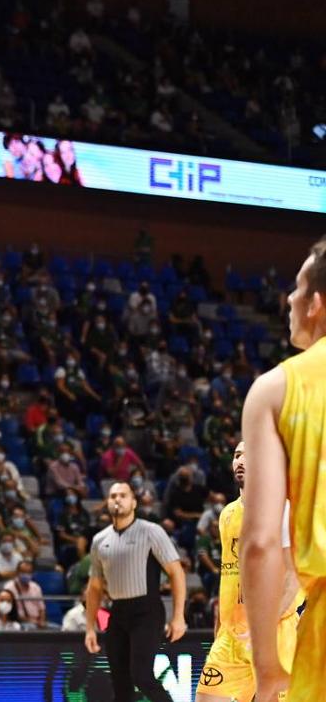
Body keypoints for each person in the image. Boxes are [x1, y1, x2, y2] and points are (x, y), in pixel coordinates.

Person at [239, 236, 326, 702]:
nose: (289, 298)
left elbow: (261, 543)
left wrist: (268, 668)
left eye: (297, 287)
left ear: (316, 303)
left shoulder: (277, 389)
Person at [196, 442, 302, 702]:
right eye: (236, 455)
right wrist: (220, 620)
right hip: (232, 634)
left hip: (274, 632)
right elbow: (229, 572)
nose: (240, 461)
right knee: (206, 697)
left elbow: (294, 575)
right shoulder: (227, 514)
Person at [84, 481, 186, 702]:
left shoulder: (151, 532)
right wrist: (90, 627)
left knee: (142, 675)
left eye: (123, 495)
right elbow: (94, 587)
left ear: (134, 502)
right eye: (113, 496)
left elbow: (176, 573)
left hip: (147, 611)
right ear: (107, 502)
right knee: (120, 684)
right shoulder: (100, 540)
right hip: (117, 612)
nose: (117, 499)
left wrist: (178, 617)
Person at [3, 560, 47, 629]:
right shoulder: (9, 587)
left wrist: (42, 621)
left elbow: (42, 609)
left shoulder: (36, 587)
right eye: (23, 572)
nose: (26, 575)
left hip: (37, 621)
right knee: (31, 628)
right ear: (17, 572)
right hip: (19, 622)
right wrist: (29, 620)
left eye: (29, 572)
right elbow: (8, 612)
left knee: (58, 629)